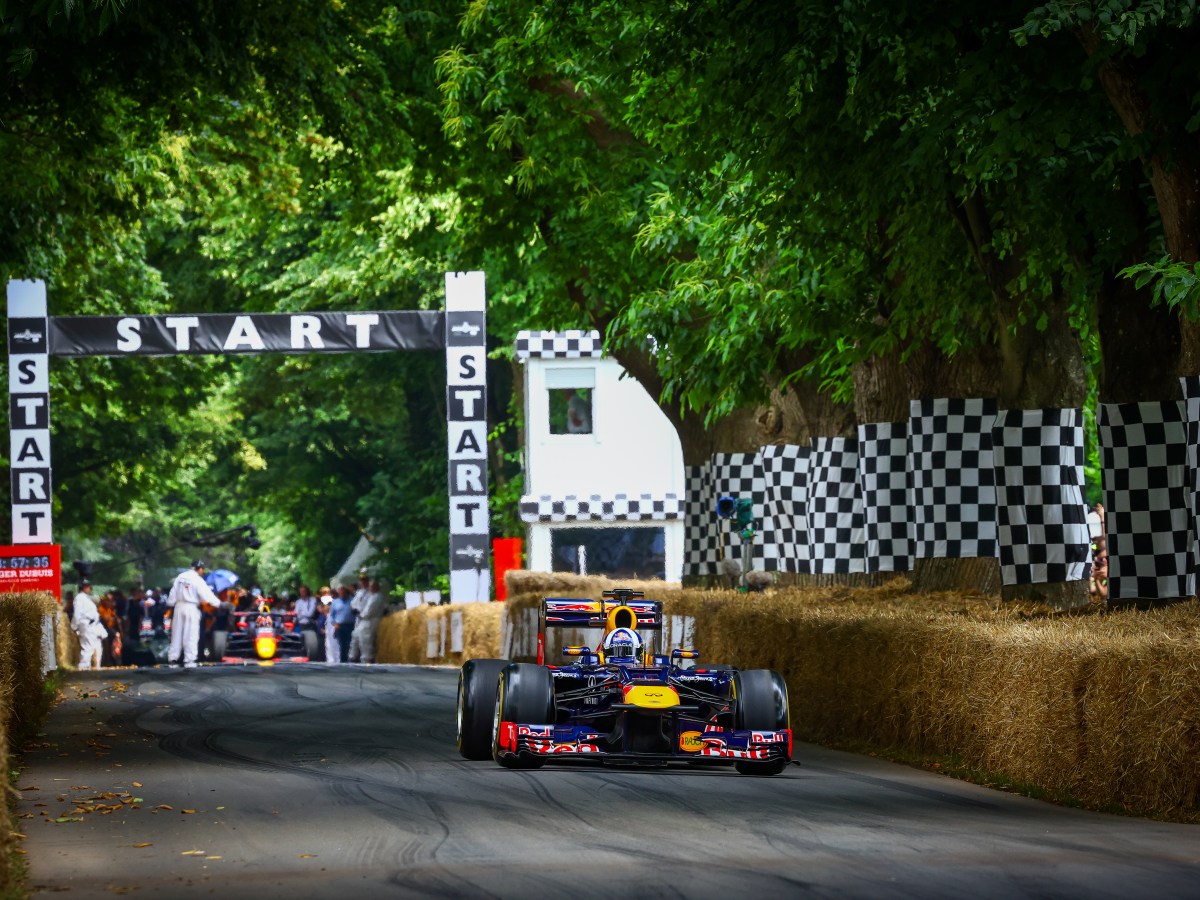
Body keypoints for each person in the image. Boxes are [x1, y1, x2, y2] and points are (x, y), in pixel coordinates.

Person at [167, 559, 220, 668]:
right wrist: (219, 604)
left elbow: (172, 594)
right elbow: (207, 595)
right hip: (191, 607)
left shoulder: (180, 577)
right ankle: (189, 659)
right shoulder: (197, 579)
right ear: (200, 569)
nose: (203, 572)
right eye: (202, 570)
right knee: (191, 634)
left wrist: (171, 603)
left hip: (178, 607)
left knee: (176, 634)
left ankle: (173, 658)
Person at [71, 580, 106, 670]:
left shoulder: (86, 598)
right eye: (87, 586)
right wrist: (74, 626)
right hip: (86, 624)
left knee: (93, 647)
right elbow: (77, 614)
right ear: (83, 587)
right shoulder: (79, 598)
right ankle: (83, 668)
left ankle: (89, 667)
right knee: (87, 647)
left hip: (93, 624)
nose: (89, 588)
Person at [352, 579, 387, 664]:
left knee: (366, 641)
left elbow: (369, 611)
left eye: (371, 586)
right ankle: (353, 657)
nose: (370, 588)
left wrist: (360, 614)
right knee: (355, 636)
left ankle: (367, 660)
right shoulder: (371, 596)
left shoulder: (377, 597)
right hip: (364, 620)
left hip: (370, 621)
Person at [347, 571, 370, 662]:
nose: (362, 582)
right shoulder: (359, 592)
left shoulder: (370, 593)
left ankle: (365, 659)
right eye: (361, 580)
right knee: (354, 637)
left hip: (365, 618)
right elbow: (353, 603)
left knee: (364, 639)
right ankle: (352, 657)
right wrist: (354, 608)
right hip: (358, 618)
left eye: (364, 580)